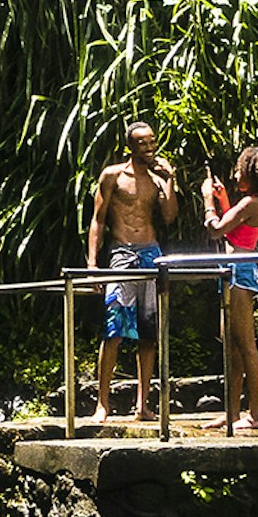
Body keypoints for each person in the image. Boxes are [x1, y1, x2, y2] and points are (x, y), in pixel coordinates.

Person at [81, 121, 179, 421]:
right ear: (131, 146)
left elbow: (169, 216)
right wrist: (92, 264)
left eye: (152, 142)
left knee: (149, 333)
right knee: (114, 330)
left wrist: (170, 179)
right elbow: (97, 219)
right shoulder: (113, 175)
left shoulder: (157, 179)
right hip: (122, 254)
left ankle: (143, 405)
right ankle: (102, 404)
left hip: (151, 253)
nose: (149, 148)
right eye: (142, 143)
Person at [203, 143, 258, 436]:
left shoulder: (252, 202)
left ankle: (255, 413)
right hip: (233, 271)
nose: (234, 173)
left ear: (254, 174)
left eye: (239, 170)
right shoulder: (252, 202)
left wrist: (208, 201)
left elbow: (216, 229)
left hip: (240, 272)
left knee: (246, 343)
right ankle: (232, 412)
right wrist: (224, 200)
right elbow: (234, 229)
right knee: (232, 345)